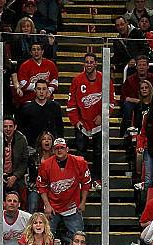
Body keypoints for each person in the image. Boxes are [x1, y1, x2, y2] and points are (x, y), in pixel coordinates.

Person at [67, 53, 115, 191]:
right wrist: (76, 121)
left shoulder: (105, 80)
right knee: (80, 153)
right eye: (86, 62)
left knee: (99, 153)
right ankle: (82, 179)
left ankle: (97, 179)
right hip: (82, 124)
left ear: (96, 64)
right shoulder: (77, 80)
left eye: (91, 62)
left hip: (100, 124)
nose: (89, 64)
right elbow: (71, 104)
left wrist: (103, 116)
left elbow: (111, 102)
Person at [36, 138, 90, 245]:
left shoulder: (80, 162)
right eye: (56, 148)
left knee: (78, 239)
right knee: (45, 238)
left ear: (67, 149)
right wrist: (47, 205)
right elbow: (41, 186)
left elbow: (86, 183)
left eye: (62, 148)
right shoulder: (45, 165)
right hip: (52, 207)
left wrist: (83, 202)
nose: (59, 150)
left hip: (72, 206)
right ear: (53, 150)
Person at [0, 116, 28, 200]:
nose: (8, 129)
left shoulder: (21, 139)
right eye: (5, 126)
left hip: (16, 176)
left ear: (15, 127)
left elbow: (24, 161)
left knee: (20, 191)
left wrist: (15, 176)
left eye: (10, 126)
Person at [18, 79, 64, 146]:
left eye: (44, 89)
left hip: (51, 146)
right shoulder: (26, 108)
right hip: (32, 145)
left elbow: (59, 127)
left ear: (47, 90)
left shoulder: (55, 107)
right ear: (35, 90)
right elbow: (22, 129)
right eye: (39, 89)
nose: (41, 92)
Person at [16, 42, 59, 106]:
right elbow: (23, 84)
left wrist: (49, 90)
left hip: (48, 100)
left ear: (42, 51)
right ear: (30, 52)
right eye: (33, 50)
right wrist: (41, 89)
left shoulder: (50, 64)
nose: (36, 52)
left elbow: (55, 81)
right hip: (29, 100)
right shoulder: (24, 66)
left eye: (38, 49)